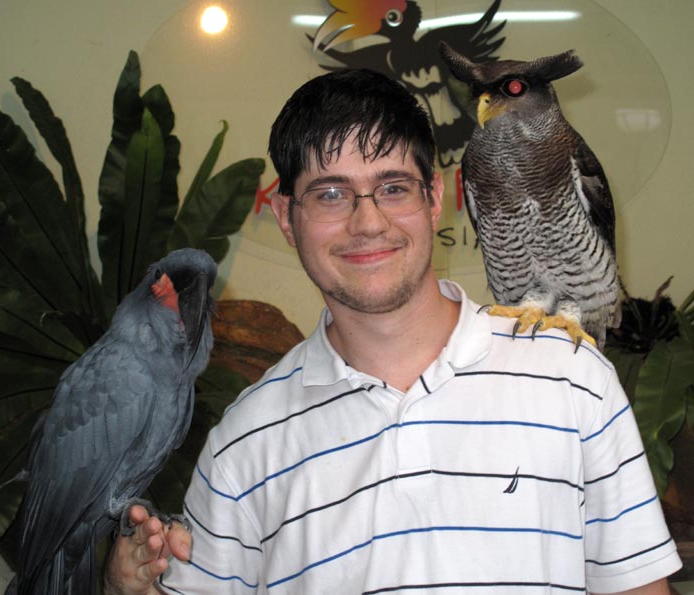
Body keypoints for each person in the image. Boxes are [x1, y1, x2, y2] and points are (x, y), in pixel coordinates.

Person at [104, 69, 682, 594]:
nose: (368, 221)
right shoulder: (244, 443)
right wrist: (135, 590)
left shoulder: (574, 378)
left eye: (393, 188)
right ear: (286, 217)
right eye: (330, 193)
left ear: (434, 200)